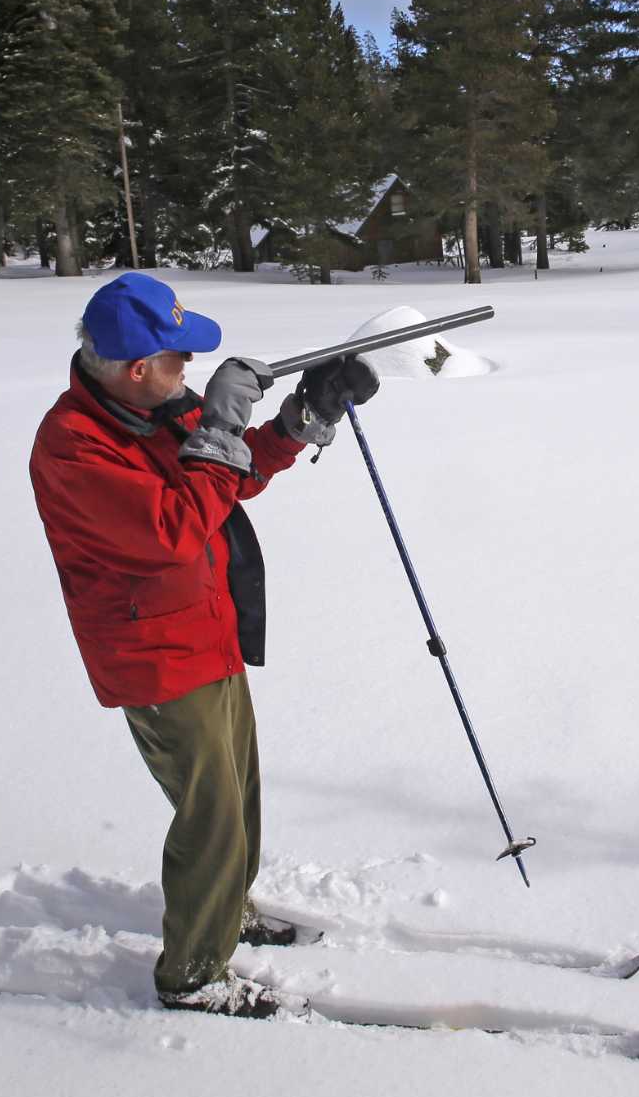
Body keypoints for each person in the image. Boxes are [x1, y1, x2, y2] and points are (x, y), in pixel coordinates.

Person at [28, 271, 378, 1018]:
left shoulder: (156, 405)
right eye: (177, 356)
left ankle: (229, 905)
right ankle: (192, 973)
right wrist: (217, 427)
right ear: (136, 367)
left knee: (240, 793)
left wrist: (295, 421)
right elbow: (174, 528)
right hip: (154, 655)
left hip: (207, 627)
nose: (188, 369)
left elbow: (228, 479)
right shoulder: (71, 448)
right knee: (210, 810)